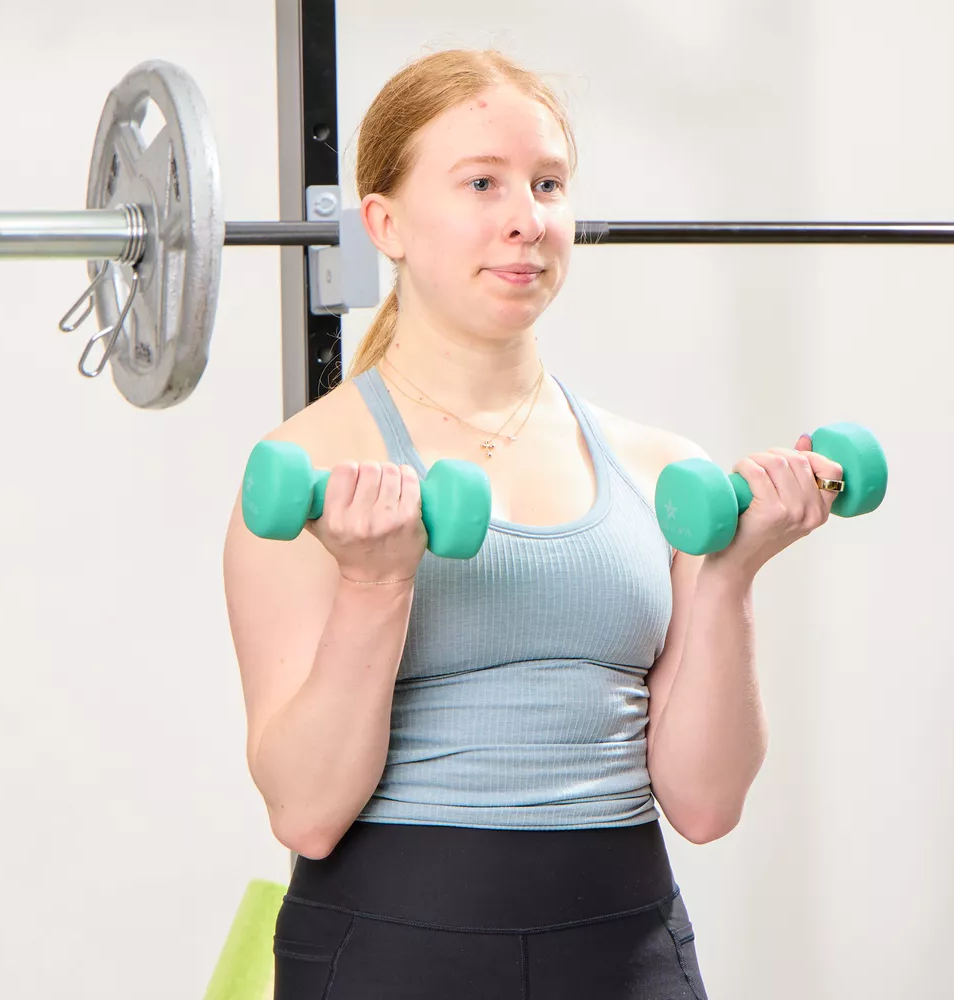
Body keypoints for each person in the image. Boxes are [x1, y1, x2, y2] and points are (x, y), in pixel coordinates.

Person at [222, 47, 842, 1000]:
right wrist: (375, 583)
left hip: (626, 949)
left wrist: (730, 573)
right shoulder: (314, 469)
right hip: (388, 953)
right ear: (385, 223)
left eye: (548, 183)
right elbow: (305, 812)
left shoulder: (658, 468)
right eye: (482, 182)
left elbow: (707, 804)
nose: (527, 218)